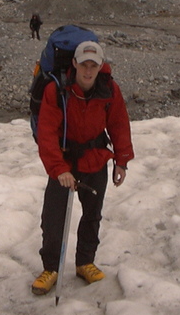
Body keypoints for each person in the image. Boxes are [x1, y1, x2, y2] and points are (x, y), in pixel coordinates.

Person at [31, 41, 134, 296]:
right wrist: (59, 169)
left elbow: (119, 123)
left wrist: (121, 160)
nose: (88, 71)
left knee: (92, 215)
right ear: (74, 64)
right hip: (64, 162)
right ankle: (51, 268)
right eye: (84, 65)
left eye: (94, 65)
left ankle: (85, 262)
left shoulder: (109, 89)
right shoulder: (57, 91)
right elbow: (47, 134)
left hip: (95, 160)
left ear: (100, 67)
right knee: (53, 218)